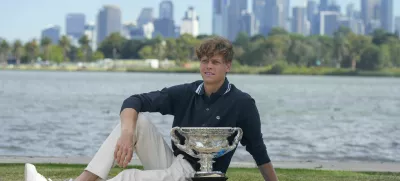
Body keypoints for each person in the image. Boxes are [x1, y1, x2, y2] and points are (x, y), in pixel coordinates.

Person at [25, 36, 279, 181]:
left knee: (129, 178)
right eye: (204, 61)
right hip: (175, 163)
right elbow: (134, 101)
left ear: (228, 66)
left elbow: (258, 149)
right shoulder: (187, 92)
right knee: (139, 123)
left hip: (199, 176)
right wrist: (127, 134)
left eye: (215, 62)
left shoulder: (242, 103)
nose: (208, 66)